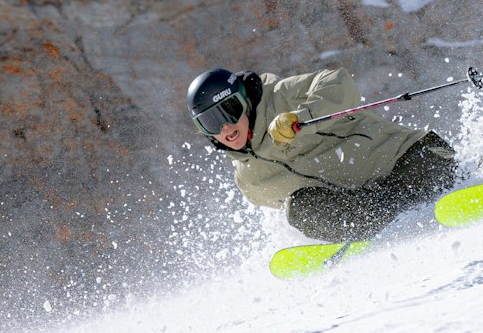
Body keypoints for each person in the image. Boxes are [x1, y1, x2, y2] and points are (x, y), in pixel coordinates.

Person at [186, 65, 458, 240]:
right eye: (211, 123)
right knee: (298, 210)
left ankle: (454, 186)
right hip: (369, 203)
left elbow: (339, 82)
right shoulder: (250, 181)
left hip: (411, 159)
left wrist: (301, 118)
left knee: (415, 185)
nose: (225, 127)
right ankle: (369, 236)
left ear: (244, 101)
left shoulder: (280, 97)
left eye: (230, 111)